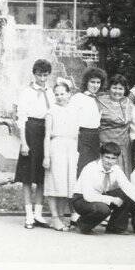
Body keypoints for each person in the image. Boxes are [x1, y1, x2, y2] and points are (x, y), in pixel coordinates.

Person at [71, 142, 135, 234]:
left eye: (113, 158)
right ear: (101, 156)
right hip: (81, 199)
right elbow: (88, 196)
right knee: (103, 209)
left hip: (100, 195)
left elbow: (129, 188)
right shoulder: (90, 168)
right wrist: (111, 199)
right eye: (107, 157)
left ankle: (115, 227)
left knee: (124, 193)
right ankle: (83, 224)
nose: (110, 161)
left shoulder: (116, 169)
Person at [14, 58, 54, 229]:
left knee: (42, 176)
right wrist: (24, 142)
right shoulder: (26, 92)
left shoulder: (52, 92)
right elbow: (21, 117)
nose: (42, 78)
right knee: (28, 177)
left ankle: (38, 213)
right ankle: (29, 214)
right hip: (30, 131)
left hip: (46, 133)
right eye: (39, 74)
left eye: (45, 75)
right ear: (34, 74)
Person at [43, 80, 79, 231]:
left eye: (62, 94)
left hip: (71, 148)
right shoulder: (51, 112)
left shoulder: (74, 110)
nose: (59, 97)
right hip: (56, 147)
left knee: (66, 184)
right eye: (56, 94)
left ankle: (62, 216)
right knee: (54, 182)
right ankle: (55, 217)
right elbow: (47, 135)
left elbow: (77, 134)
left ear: (69, 94)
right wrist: (46, 156)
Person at [70, 67, 106, 177]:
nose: (95, 85)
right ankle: (78, 193)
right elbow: (71, 119)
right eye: (92, 82)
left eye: (98, 82)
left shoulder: (99, 99)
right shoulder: (78, 97)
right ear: (86, 82)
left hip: (95, 136)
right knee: (82, 165)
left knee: (93, 166)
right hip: (82, 135)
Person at [96, 73, 133, 176]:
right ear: (109, 88)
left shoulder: (128, 102)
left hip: (123, 146)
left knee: (120, 175)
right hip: (105, 145)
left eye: (120, 88)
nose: (117, 91)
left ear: (125, 90)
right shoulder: (100, 100)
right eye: (114, 88)